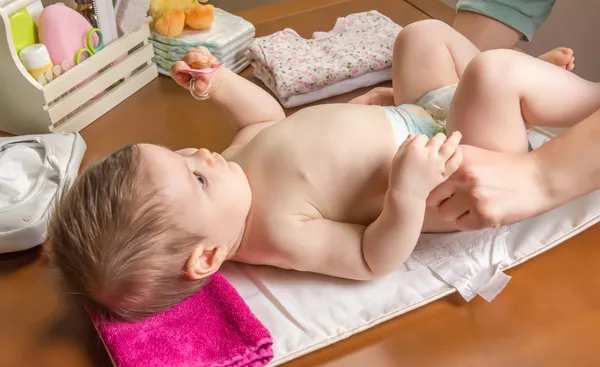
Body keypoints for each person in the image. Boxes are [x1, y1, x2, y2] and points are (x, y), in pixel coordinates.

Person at [47, 19, 592, 320]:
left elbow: (266, 120)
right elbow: (370, 257)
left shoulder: (232, 169)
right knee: (492, 75)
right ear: (208, 256)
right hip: (455, 167)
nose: (201, 156)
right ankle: (571, 100)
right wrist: (406, 192)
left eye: (179, 151)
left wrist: (221, 86)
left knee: (419, 37)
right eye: (195, 177)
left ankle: (531, 94)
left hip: (419, 116)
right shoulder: (277, 232)